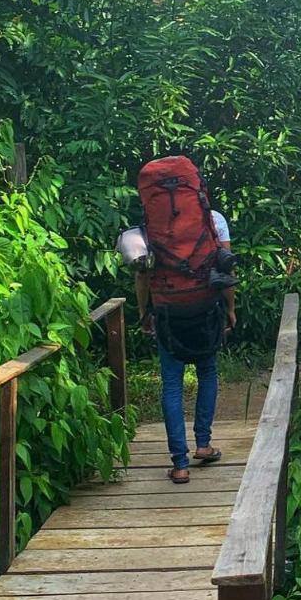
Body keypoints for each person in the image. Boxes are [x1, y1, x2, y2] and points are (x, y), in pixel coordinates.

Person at [134, 200, 237, 485]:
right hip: (205, 313)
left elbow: (142, 274)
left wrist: (144, 313)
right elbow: (226, 269)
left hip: (169, 315)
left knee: (171, 385)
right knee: (207, 373)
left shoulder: (150, 226)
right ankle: (203, 444)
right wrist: (230, 309)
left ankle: (180, 464)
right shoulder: (214, 220)